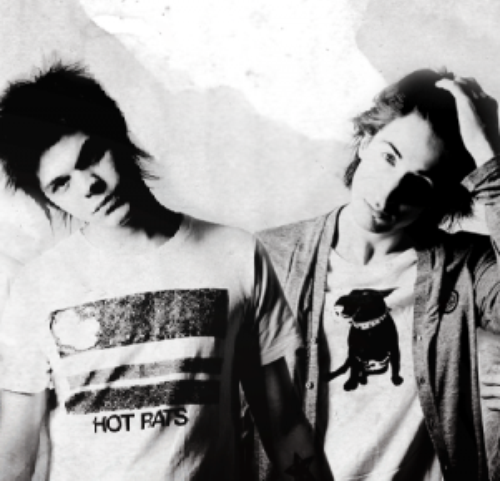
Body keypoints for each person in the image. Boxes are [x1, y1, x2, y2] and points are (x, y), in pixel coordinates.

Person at [0, 63, 330, 481]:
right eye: (61, 184)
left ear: (116, 134)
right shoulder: (38, 285)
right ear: (49, 199)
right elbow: (15, 458)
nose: (89, 186)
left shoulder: (235, 254)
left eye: (91, 156)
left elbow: (284, 428)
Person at [256, 69, 500, 481]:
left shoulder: (468, 268)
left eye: (418, 184)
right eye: (389, 157)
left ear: (441, 196)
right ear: (367, 138)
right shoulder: (270, 257)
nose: (388, 195)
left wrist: (489, 164)